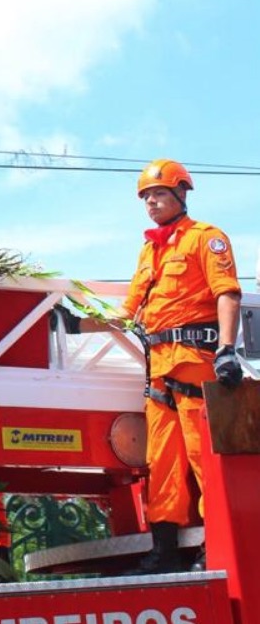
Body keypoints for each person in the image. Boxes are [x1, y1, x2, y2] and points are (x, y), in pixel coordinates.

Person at [112, 159, 241, 573]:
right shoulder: (150, 249)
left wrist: (226, 349)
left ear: (181, 195)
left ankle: (216, 545)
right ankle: (164, 550)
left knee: (204, 459)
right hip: (159, 371)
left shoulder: (206, 238)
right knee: (162, 463)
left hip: (194, 362)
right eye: (146, 197)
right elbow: (127, 311)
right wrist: (75, 323)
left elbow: (227, 294)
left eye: (159, 194)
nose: (151, 203)